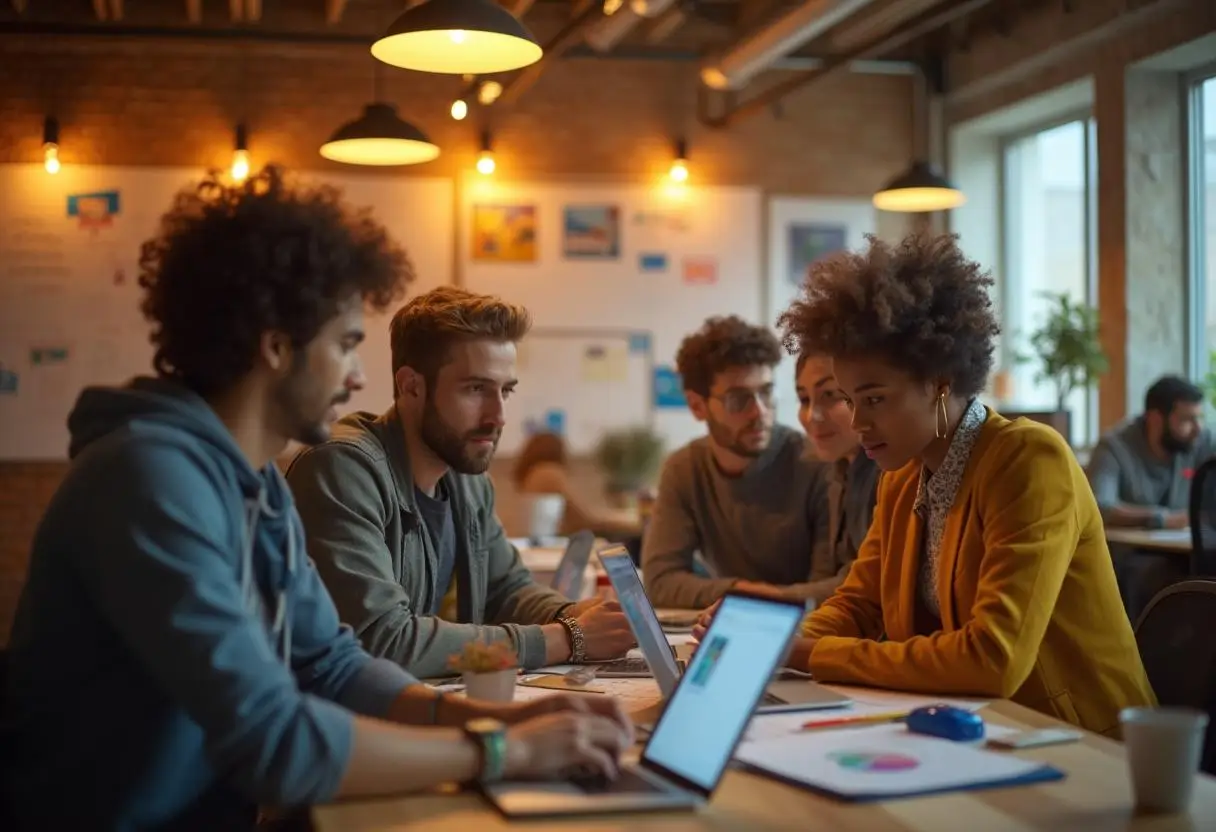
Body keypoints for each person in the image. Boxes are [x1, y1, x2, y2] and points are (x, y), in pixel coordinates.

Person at [0, 169, 631, 831]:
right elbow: (277, 743)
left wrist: (499, 716)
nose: (360, 376)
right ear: (276, 347)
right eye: (346, 345)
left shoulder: (258, 484)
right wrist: (505, 748)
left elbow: (332, 663)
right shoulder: (148, 480)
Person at [697, 233, 1155, 737]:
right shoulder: (904, 479)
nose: (858, 421)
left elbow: (992, 658)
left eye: (874, 400)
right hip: (981, 732)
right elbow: (859, 605)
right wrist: (767, 638)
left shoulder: (1029, 460)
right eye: (850, 400)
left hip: (1083, 743)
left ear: (939, 381)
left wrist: (809, 652)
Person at [285, 286, 636, 679]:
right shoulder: (343, 470)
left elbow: (507, 590)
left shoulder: (467, 480)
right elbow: (382, 641)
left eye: (505, 390)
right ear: (411, 386)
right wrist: (569, 638)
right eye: (476, 389)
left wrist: (575, 614)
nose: (498, 415)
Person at [641, 315, 832, 610]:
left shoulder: (816, 463)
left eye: (766, 393)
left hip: (808, 635)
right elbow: (661, 582)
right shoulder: (685, 469)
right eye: (738, 399)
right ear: (697, 406)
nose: (759, 412)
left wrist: (750, 599)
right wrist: (742, 592)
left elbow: (828, 591)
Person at [795, 351, 880, 591]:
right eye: (804, 399)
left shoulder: (889, 470)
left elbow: (868, 585)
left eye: (830, 395)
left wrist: (768, 598)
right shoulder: (838, 468)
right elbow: (826, 575)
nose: (813, 415)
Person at [1087, 375, 1211, 530]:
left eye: (1199, 418)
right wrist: (1161, 519)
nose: (1197, 428)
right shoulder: (1113, 447)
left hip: (1187, 549)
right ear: (1155, 419)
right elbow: (1100, 507)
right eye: (1186, 420)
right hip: (1134, 550)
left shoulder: (1201, 441)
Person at [510, 431, 641, 540]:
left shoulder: (532, 475)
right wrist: (621, 522)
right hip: (552, 545)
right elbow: (581, 519)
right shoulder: (548, 473)